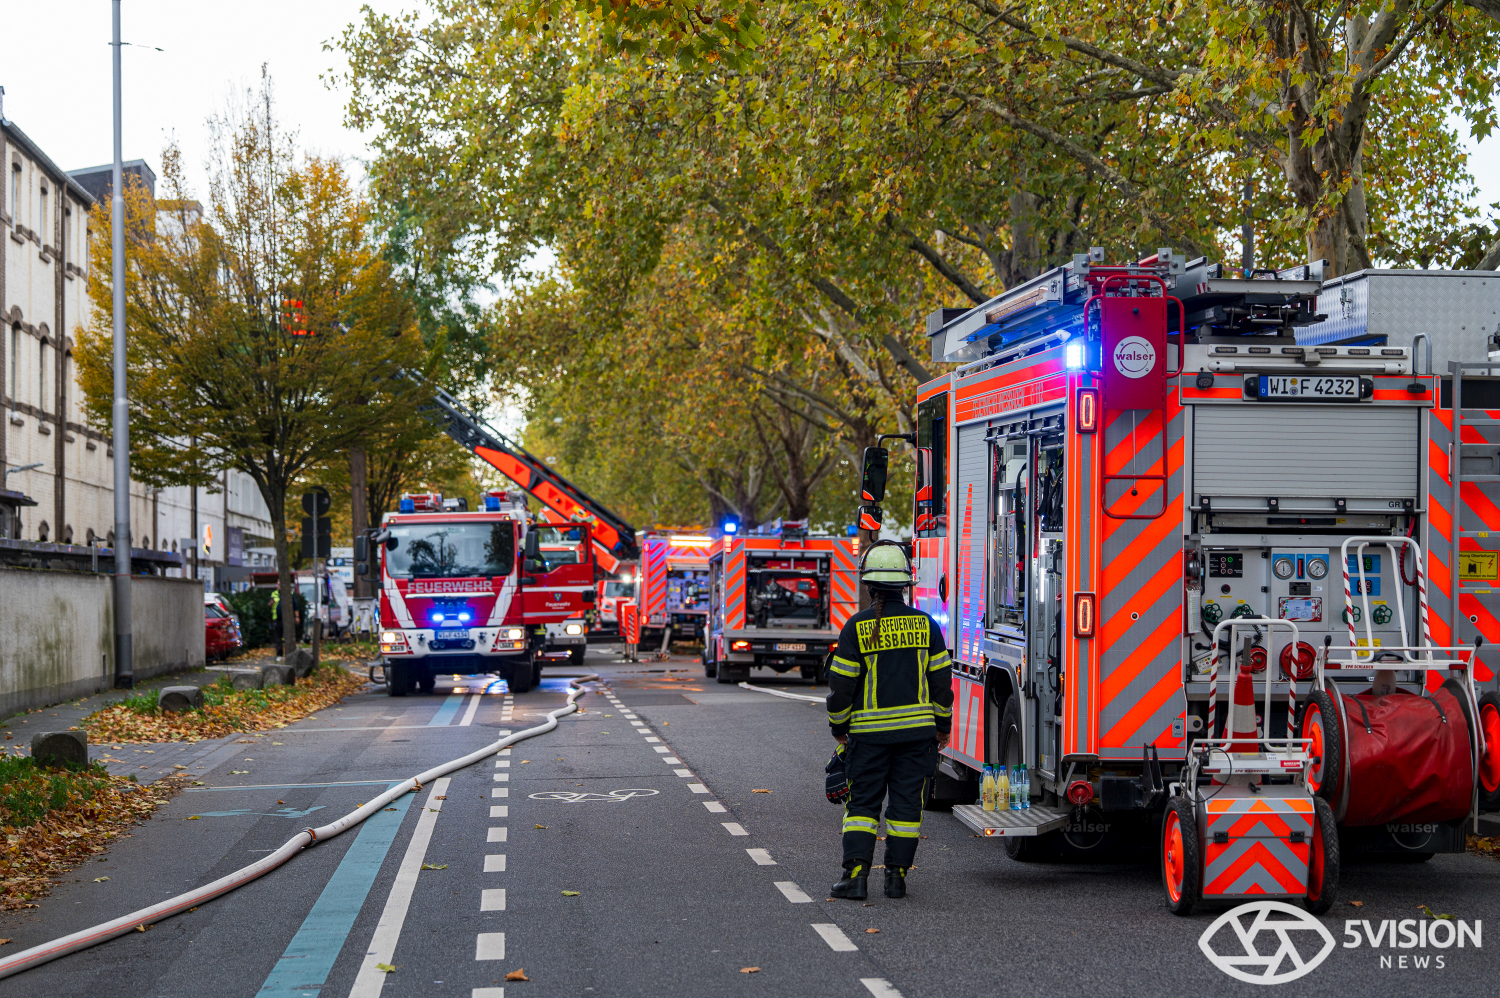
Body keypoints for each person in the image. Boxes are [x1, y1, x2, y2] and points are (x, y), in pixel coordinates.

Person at [826, 540, 953, 900]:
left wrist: (840, 728)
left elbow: (840, 688)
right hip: (917, 739)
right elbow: (942, 685)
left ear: (869, 585)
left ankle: (855, 878)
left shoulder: (855, 628)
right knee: (906, 808)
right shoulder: (927, 626)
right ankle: (896, 878)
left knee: (862, 807)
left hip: (867, 740)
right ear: (904, 584)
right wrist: (942, 726)